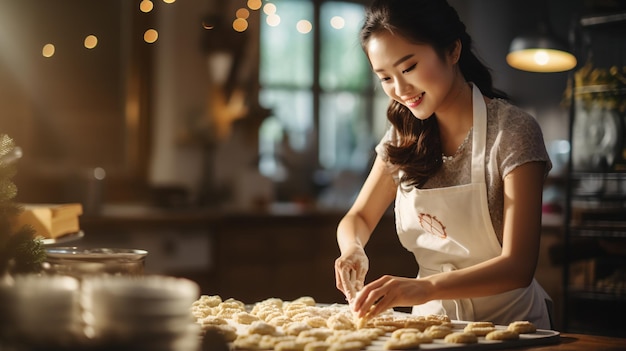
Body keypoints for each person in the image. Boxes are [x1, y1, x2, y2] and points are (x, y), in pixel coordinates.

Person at [334, 0, 553, 329]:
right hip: (431, 327)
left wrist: (423, 288)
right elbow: (360, 216)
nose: (400, 89)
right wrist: (352, 249)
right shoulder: (402, 136)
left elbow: (519, 266)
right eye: (386, 77)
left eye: (408, 68)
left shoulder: (512, 132)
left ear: (452, 50)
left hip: (512, 328)